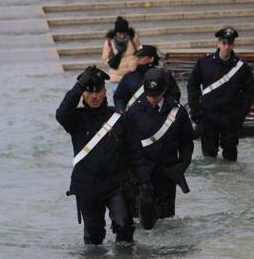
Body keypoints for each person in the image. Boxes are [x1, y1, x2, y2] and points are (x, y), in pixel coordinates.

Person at [56, 66, 152, 245]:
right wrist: (79, 85)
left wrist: (145, 183)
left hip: (117, 184)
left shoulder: (120, 118)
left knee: (125, 228)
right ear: (83, 94)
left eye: (98, 91)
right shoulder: (76, 119)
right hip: (87, 185)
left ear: (105, 91)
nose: (94, 96)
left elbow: (135, 154)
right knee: (94, 238)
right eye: (89, 92)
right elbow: (61, 113)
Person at [125, 67, 194, 222]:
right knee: (141, 222)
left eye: (156, 95)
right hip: (141, 178)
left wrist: (181, 165)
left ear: (164, 90)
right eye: (149, 95)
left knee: (166, 222)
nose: (153, 98)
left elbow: (186, 141)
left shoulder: (178, 111)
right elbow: (128, 146)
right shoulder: (134, 112)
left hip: (167, 175)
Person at [186, 27, 254, 162]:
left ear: (233, 45)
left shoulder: (242, 68)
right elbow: (192, 85)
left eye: (230, 43)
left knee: (230, 154)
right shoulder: (204, 63)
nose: (227, 47)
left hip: (230, 117)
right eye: (224, 43)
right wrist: (196, 110)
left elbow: (249, 93)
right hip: (208, 116)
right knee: (209, 155)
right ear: (218, 43)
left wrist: (240, 115)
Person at [113, 45, 181, 114]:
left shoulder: (164, 75)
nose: (138, 58)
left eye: (141, 56)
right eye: (137, 56)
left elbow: (174, 95)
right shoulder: (129, 77)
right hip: (135, 117)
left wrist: (164, 110)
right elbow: (120, 96)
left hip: (159, 116)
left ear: (151, 58)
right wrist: (120, 109)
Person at [101, 17, 141, 93]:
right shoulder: (110, 41)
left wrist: (134, 62)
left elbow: (139, 52)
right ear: (116, 32)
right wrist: (113, 62)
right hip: (116, 76)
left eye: (124, 33)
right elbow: (105, 59)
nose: (122, 36)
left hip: (131, 74)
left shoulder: (133, 38)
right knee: (118, 101)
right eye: (119, 34)